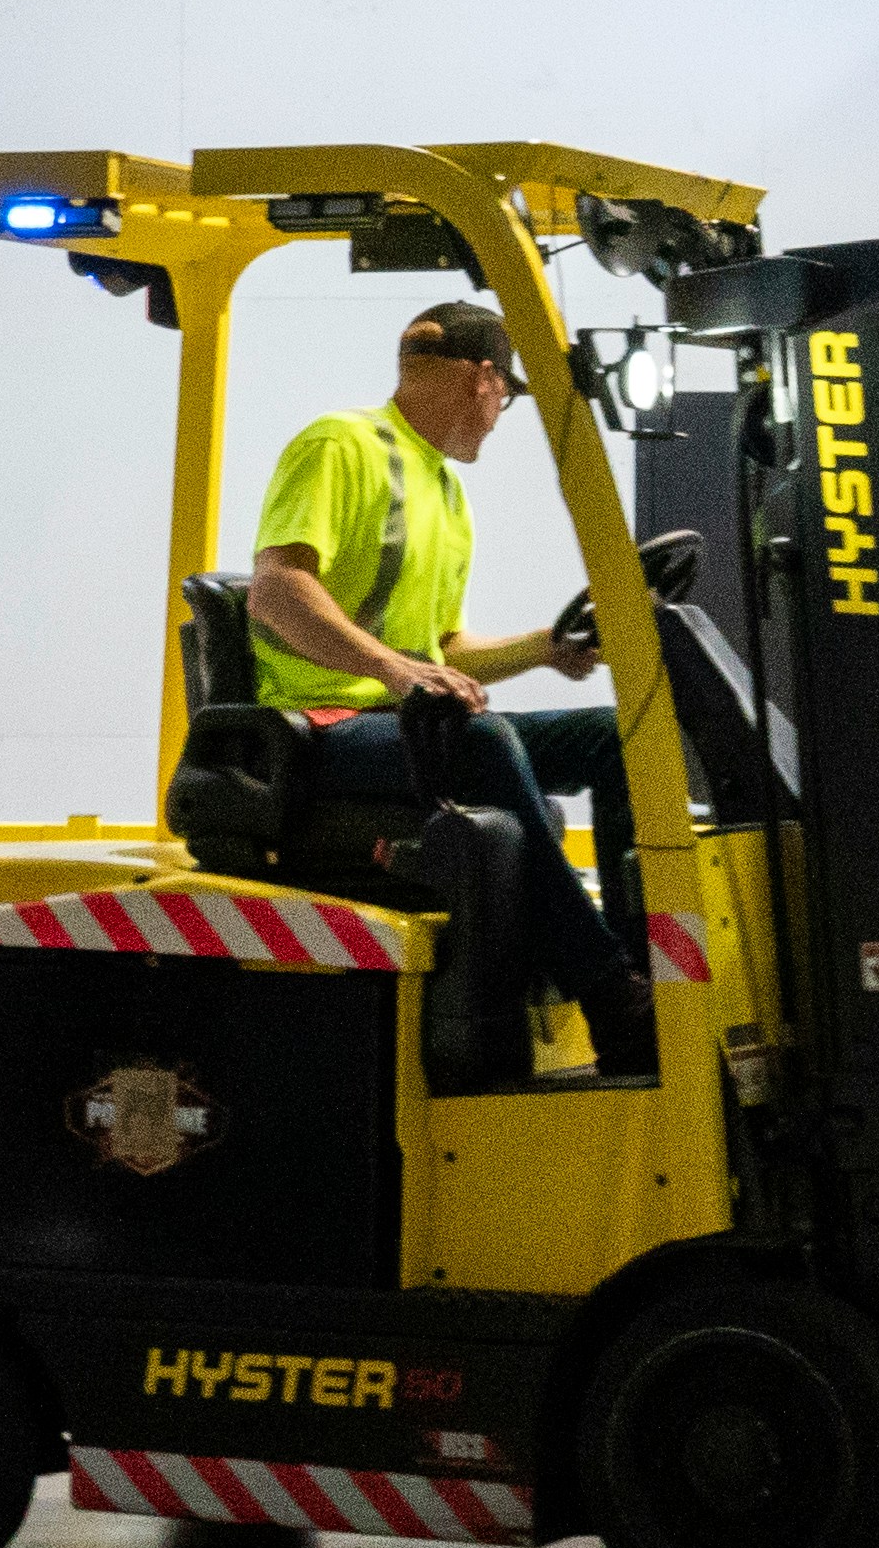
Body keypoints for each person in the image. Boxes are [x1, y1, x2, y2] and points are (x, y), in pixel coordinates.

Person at [242, 298, 649, 1060]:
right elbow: (275, 590)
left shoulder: (447, 493)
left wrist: (542, 648)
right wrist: (393, 670)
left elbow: (441, 648)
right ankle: (606, 989)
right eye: (506, 398)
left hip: (403, 721)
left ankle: (650, 959)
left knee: (614, 735)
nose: (499, 418)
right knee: (481, 740)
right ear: (483, 379)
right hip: (320, 730)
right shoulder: (340, 444)